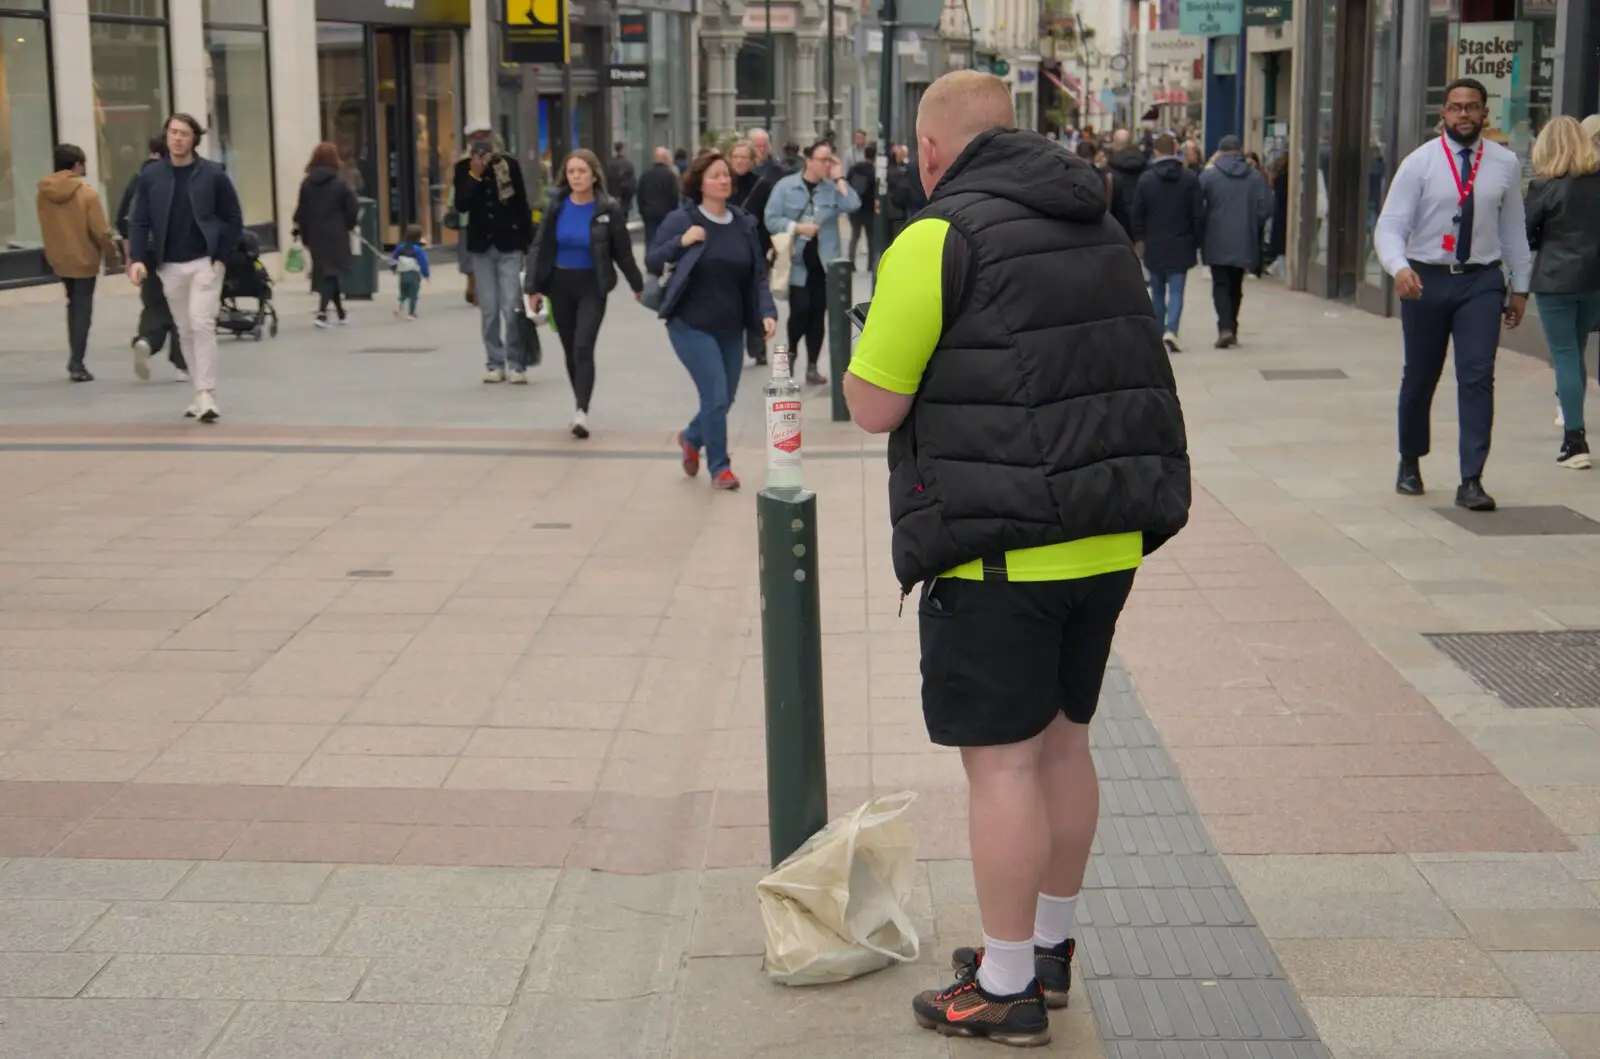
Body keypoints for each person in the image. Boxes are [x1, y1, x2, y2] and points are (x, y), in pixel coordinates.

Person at [842, 70, 1188, 1047]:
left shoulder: (937, 236)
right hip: (1107, 535)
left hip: (998, 550)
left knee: (1000, 769)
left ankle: (1001, 987)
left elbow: (873, 404)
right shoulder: (1095, 224)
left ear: (934, 150)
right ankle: (1048, 949)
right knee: (1065, 744)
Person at [1376, 77, 1532, 512]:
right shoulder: (1420, 163)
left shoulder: (1504, 163)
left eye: (1472, 107)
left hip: (1480, 280)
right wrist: (1398, 266)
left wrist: (1520, 286)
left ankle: (1471, 478)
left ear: (1485, 114)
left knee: (1478, 375)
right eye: (1456, 107)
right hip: (1426, 278)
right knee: (1421, 375)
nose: (1464, 114)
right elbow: (1390, 224)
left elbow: (1513, 229)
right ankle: (1410, 460)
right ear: (1443, 115)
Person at [646, 150, 779, 491]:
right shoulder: (684, 220)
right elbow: (653, 258)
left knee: (724, 398)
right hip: (689, 325)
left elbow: (757, 277)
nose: (723, 181)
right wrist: (682, 241)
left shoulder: (743, 223)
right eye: (716, 175)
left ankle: (691, 438)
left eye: (726, 176)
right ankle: (720, 467)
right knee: (716, 396)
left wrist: (766, 312)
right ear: (700, 183)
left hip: (731, 328)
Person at [127, 113, 244, 423]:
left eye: (184, 133)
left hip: (205, 262)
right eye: (173, 132)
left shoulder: (213, 174)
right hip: (169, 265)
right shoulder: (152, 177)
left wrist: (221, 257)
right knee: (185, 330)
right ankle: (199, 393)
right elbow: (138, 220)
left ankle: (207, 393)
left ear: (194, 139)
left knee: (201, 322)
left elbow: (233, 218)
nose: (177, 138)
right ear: (166, 136)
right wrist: (137, 257)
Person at [525, 149, 644, 439]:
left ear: (594, 174)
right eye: (571, 172)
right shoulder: (555, 205)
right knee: (569, 349)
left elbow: (623, 252)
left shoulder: (608, 208)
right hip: (560, 285)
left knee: (583, 345)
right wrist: (532, 287)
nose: (576, 177)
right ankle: (579, 401)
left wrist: (638, 284)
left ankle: (581, 411)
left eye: (581, 171)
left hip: (593, 285)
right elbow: (539, 247)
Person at [1524, 116, 1600, 470]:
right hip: (1593, 280)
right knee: (1578, 350)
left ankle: (1575, 439)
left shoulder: (1544, 185)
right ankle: (1574, 431)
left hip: (1555, 280)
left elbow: (1527, 233)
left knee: (1565, 355)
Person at [765, 140, 861, 386]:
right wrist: (797, 227)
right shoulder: (786, 187)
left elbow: (853, 204)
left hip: (823, 263)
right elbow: (771, 219)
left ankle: (812, 367)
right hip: (796, 261)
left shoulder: (831, 189)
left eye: (831, 159)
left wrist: (840, 179)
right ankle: (791, 353)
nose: (828, 164)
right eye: (824, 159)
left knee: (818, 314)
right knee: (800, 310)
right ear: (809, 161)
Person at [454, 121, 534, 383]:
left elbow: (521, 202)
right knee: (489, 309)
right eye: (475, 138)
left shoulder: (508, 164)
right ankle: (494, 361)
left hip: (508, 243)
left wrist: (528, 243)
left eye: (485, 137)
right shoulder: (462, 168)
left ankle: (516, 362)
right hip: (481, 246)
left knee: (511, 306)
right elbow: (462, 205)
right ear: (468, 141)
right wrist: (475, 175)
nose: (481, 142)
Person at [36, 143, 118, 383]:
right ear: (77, 165)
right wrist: (112, 257)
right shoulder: (87, 193)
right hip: (84, 259)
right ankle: (77, 362)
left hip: (59, 258)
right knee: (82, 310)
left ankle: (75, 357)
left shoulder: (43, 192)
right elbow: (101, 231)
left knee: (73, 306)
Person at [116, 136, 187, 382]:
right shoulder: (176, 176)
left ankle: (146, 340)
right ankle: (182, 364)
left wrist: (132, 256)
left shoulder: (138, 178)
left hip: (145, 254)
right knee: (182, 304)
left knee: (154, 302)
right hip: (176, 251)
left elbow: (122, 221)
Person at [1131, 133, 1206, 353]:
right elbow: (1198, 214)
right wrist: (1197, 240)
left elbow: (1137, 213)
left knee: (1157, 290)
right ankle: (1171, 330)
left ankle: (1158, 331)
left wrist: (1140, 238)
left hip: (1154, 244)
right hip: (1181, 242)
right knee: (1176, 291)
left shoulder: (1146, 180)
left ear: (1155, 152)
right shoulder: (1189, 178)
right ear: (1175, 150)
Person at [1199, 134, 1273, 348]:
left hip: (1216, 238)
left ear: (1220, 152)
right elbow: (1266, 207)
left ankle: (1225, 327)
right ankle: (1232, 324)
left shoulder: (1209, 176)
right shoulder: (1254, 176)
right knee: (1235, 284)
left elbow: (1197, 205)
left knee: (1220, 284)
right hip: (1244, 239)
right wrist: (1252, 224)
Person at [293, 142, 360, 329]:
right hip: (336, 234)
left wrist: (304, 235)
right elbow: (352, 208)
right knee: (331, 273)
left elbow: (301, 212)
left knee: (328, 273)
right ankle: (322, 313)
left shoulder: (307, 184)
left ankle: (340, 313)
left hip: (315, 234)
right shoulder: (340, 184)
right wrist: (349, 225)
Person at [729, 139, 776, 364]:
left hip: (755, 248)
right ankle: (735, 344)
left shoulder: (762, 185)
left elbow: (767, 221)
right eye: (735, 157)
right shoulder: (723, 183)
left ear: (752, 160)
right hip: (727, 249)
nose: (739, 161)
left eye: (744, 157)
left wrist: (767, 248)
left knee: (756, 298)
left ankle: (757, 345)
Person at [637, 146, 682, 259]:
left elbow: (639, 195)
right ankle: (663, 260)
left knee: (650, 239)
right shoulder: (670, 176)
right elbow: (674, 195)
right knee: (665, 238)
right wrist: (674, 211)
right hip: (666, 212)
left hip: (649, 212)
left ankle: (650, 260)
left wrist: (642, 211)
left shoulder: (645, 175)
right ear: (666, 158)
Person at [1105, 128, 1147, 237]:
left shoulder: (1109, 169)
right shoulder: (1144, 165)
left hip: (1118, 228)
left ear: (1115, 143)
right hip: (1143, 226)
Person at [847, 144, 878, 269]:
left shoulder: (854, 169)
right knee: (870, 238)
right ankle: (870, 265)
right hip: (868, 209)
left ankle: (850, 262)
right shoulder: (873, 171)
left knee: (855, 236)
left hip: (854, 208)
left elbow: (848, 184)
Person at [391, 224, 431, 320]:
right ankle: (411, 313)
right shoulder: (418, 250)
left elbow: (393, 259)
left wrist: (393, 269)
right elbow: (423, 263)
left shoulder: (400, 247)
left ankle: (399, 305)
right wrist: (426, 275)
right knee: (413, 294)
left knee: (404, 292)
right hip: (414, 274)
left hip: (403, 273)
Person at [883, 144, 914, 242]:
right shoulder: (899, 173)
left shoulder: (886, 171)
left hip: (887, 210)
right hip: (897, 211)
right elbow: (904, 189)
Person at [605, 141, 637, 221]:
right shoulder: (628, 164)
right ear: (623, 149)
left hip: (612, 196)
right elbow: (632, 183)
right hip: (624, 199)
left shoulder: (610, 163)